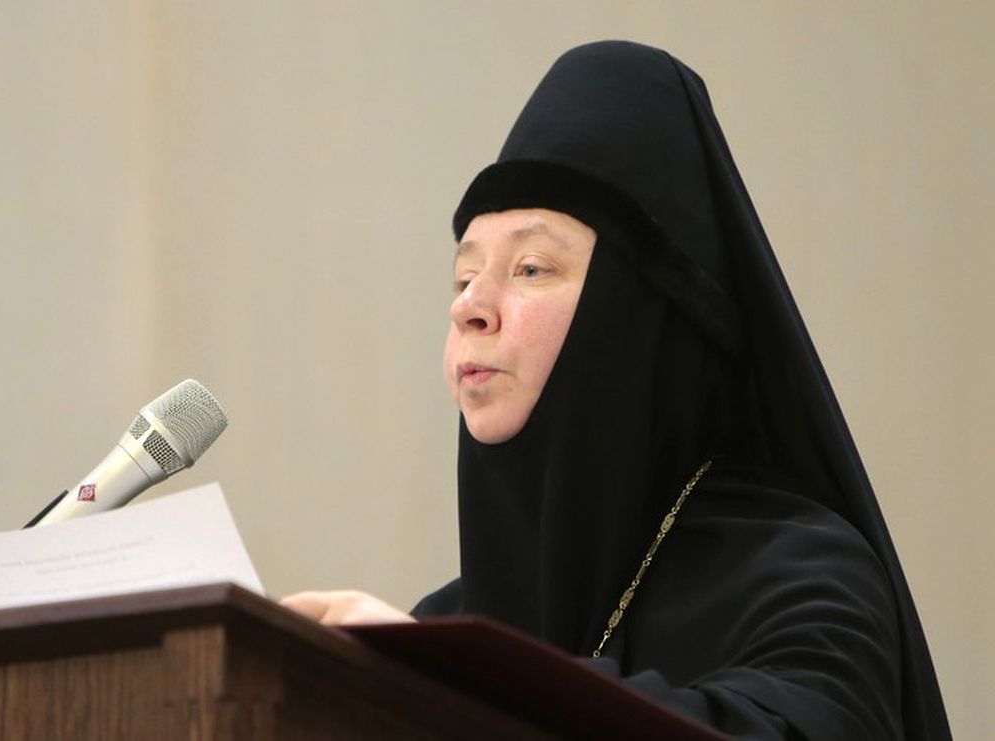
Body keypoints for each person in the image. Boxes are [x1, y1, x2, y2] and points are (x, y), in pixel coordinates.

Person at [282, 41, 951, 740]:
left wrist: (450, 683)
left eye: (531, 267)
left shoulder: (803, 579)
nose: (469, 306)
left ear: (633, 315)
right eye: (464, 276)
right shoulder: (442, 624)